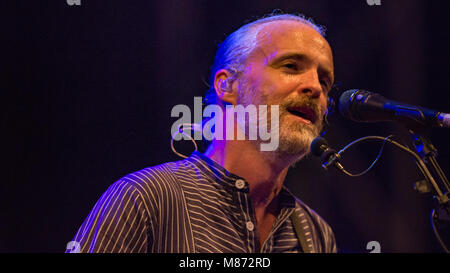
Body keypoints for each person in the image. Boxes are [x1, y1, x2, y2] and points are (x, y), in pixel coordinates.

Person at [66, 13, 337, 253]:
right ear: (228, 85)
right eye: (290, 66)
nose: (315, 87)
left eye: (325, 81)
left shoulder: (315, 234)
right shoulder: (146, 199)